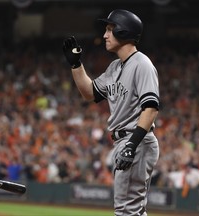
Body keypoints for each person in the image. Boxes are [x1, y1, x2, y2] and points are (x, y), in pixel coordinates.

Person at [63, 9, 160, 216]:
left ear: (124, 32)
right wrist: (76, 65)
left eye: (110, 29)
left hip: (136, 140)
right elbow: (90, 94)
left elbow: (150, 108)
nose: (105, 35)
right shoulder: (115, 67)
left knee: (127, 210)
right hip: (125, 141)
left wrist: (132, 144)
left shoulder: (142, 64)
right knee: (132, 211)